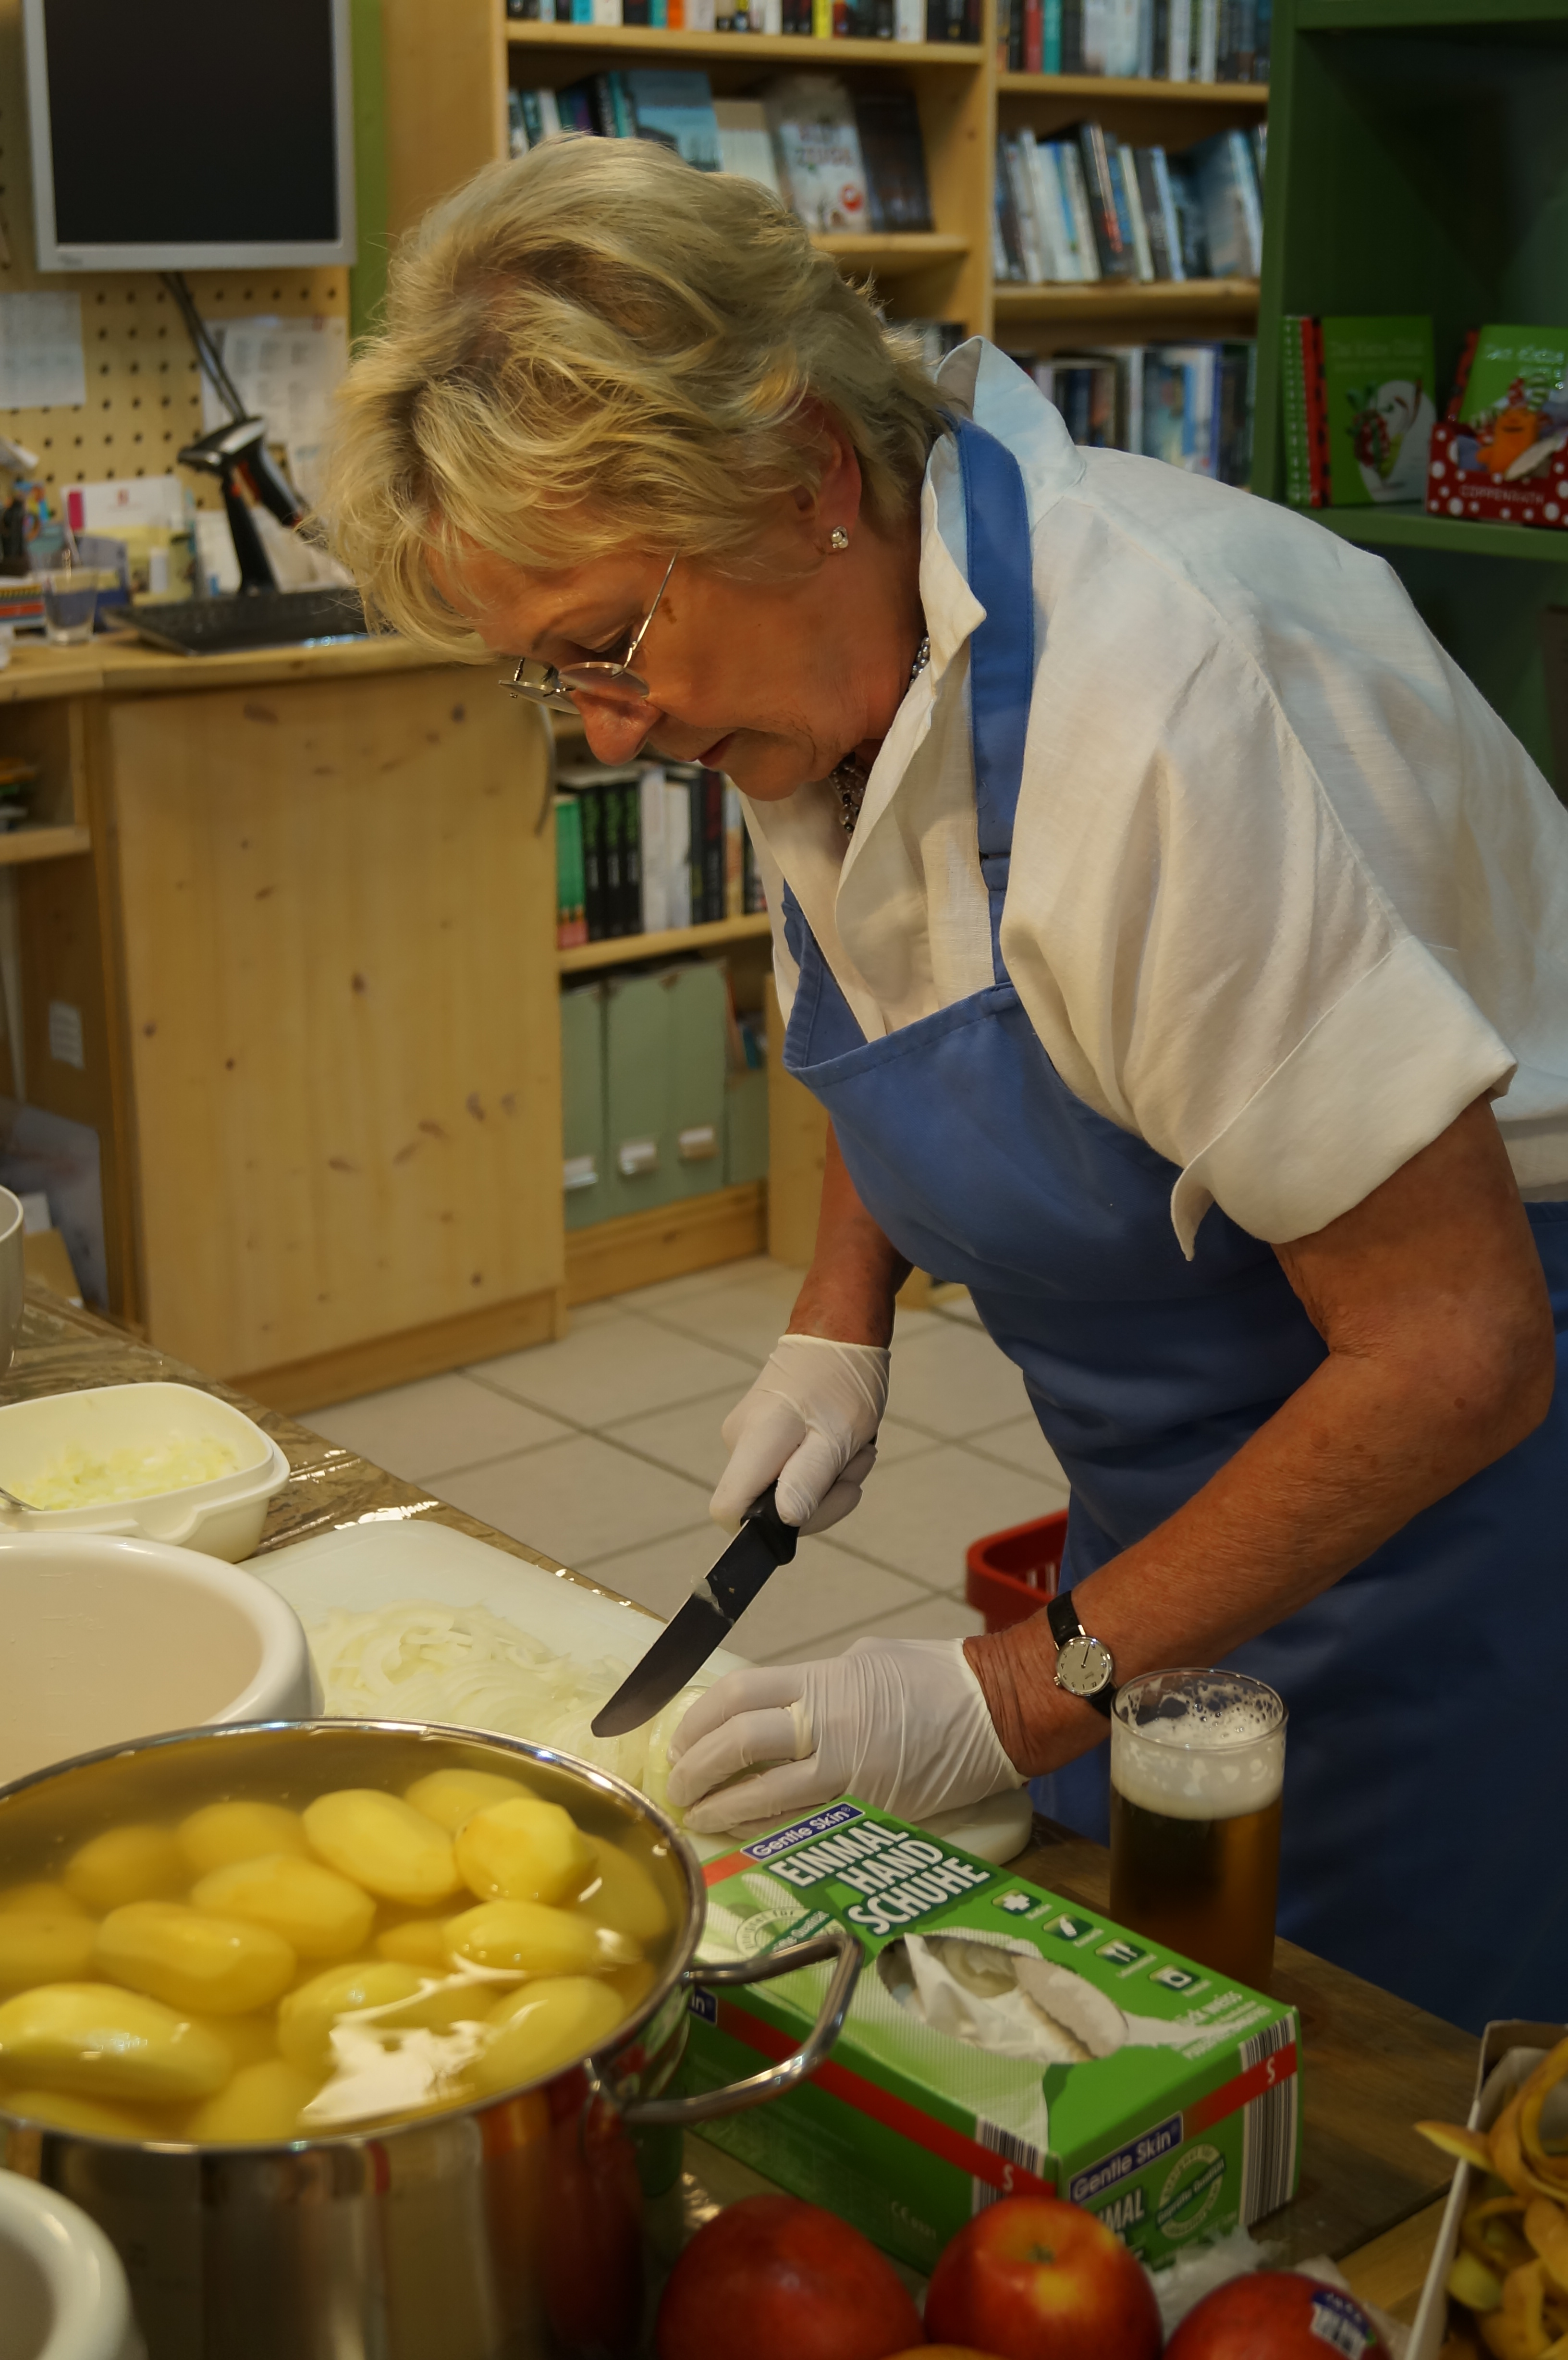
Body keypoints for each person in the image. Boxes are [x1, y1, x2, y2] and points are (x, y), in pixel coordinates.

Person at [322, 135, 1568, 2033]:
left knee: (1385, 2093)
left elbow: (1457, 1350)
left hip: (1467, 1524)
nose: (609, 732)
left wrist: (1003, 1692)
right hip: (1184, 1518)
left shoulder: (1158, 714)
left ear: (807, 469)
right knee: (1161, 2029)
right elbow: (913, 986)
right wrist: (841, 1317)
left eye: (605, 647)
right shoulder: (824, 658)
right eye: (549, 677)